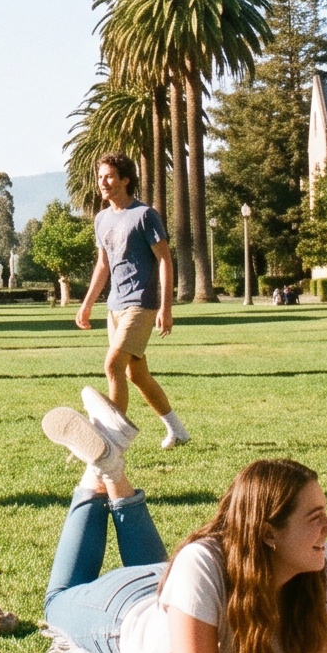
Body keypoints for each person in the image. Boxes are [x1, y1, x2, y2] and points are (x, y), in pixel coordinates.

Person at [37, 401, 327, 653]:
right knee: (56, 603)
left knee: (182, 575)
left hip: (175, 586)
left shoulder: (318, 562)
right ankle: (98, 472)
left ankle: (110, 466)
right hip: (124, 611)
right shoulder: (201, 564)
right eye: (315, 517)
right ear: (268, 534)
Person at [73, 152, 188, 448]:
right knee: (136, 374)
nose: (103, 182)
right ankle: (177, 430)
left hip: (141, 303)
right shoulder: (101, 218)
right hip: (115, 305)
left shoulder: (145, 215)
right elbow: (103, 265)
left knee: (112, 365)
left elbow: (165, 260)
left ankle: (112, 439)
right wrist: (87, 304)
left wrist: (165, 307)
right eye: (100, 177)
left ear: (125, 179)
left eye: (109, 176)